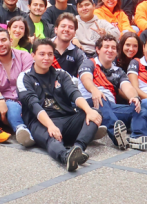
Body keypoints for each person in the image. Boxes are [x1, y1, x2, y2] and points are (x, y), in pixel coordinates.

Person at [18, 38, 101, 171]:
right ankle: (66, 157)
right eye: (42, 54)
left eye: (50, 54)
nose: (46, 58)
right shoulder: (24, 77)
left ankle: (78, 148)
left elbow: (74, 94)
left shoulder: (61, 74)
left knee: (94, 112)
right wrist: (50, 125)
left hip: (66, 118)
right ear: (33, 56)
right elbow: (33, 105)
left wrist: (88, 110)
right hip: (41, 122)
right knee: (52, 139)